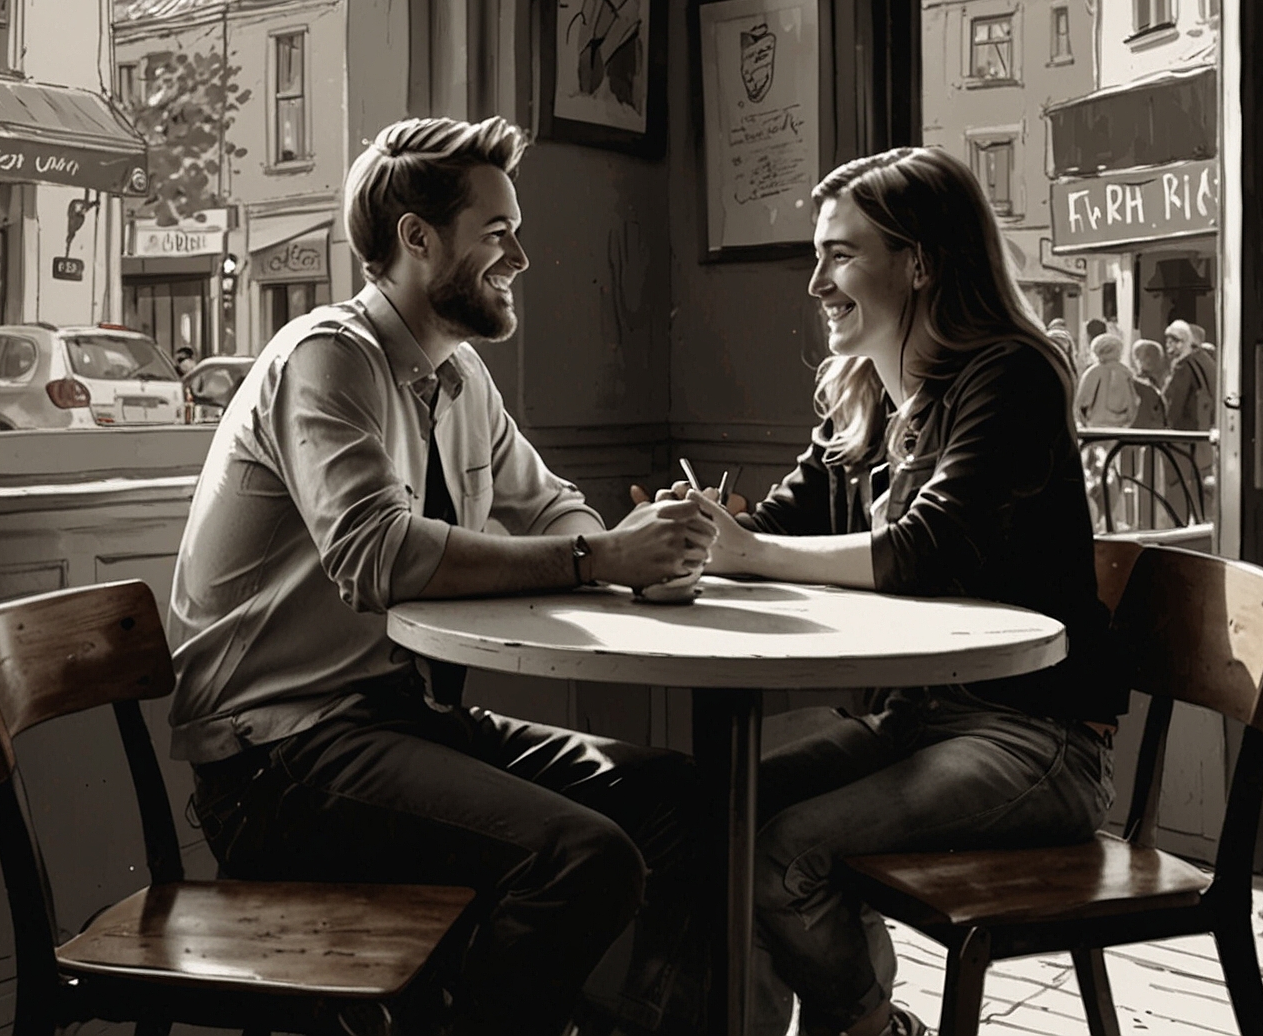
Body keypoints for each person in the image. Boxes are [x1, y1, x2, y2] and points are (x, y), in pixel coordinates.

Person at [166, 116, 717, 1036]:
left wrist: (633, 560)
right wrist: (599, 558)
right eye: (498, 233)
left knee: (684, 800)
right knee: (585, 861)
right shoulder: (328, 358)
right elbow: (373, 554)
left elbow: (554, 509)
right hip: (283, 758)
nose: (523, 258)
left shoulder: (459, 376)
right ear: (417, 239)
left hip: (397, 721)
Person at [662, 148, 1125, 1036]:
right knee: (711, 816)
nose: (815, 282)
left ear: (919, 262)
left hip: (1039, 739)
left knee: (781, 855)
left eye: (839, 254)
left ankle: (870, 1028)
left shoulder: (1011, 375)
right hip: (922, 721)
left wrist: (746, 552)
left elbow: (924, 550)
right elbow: (785, 528)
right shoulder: (866, 393)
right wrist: (706, 526)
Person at [1077, 330, 1138, 429]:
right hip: (1121, 426)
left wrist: (1084, 423)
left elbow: (1081, 403)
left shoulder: (1092, 372)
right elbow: (1133, 402)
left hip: (1096, 425)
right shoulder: (1126, 372)